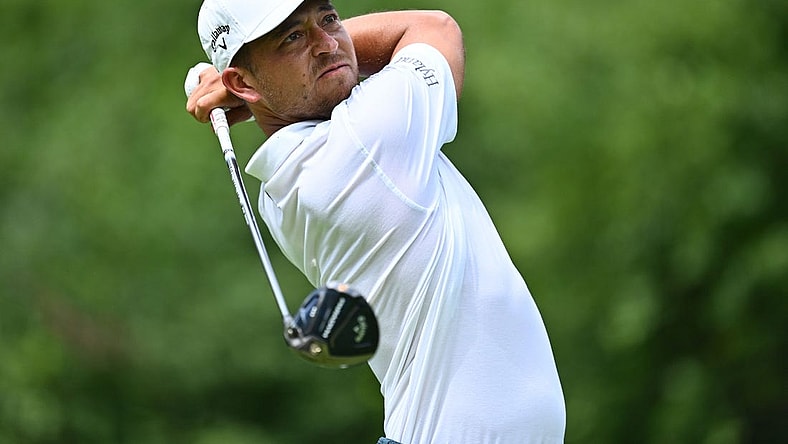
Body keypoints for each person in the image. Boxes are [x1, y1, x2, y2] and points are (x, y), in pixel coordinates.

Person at [185, 0, 566, 442]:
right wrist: (247, 91)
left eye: (329, 18)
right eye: (292, 37)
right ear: (240, 83)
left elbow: (308, 80)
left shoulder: (281, 186)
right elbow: (433, 26)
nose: (328, 44)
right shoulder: (366, 138)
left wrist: (256, 86)